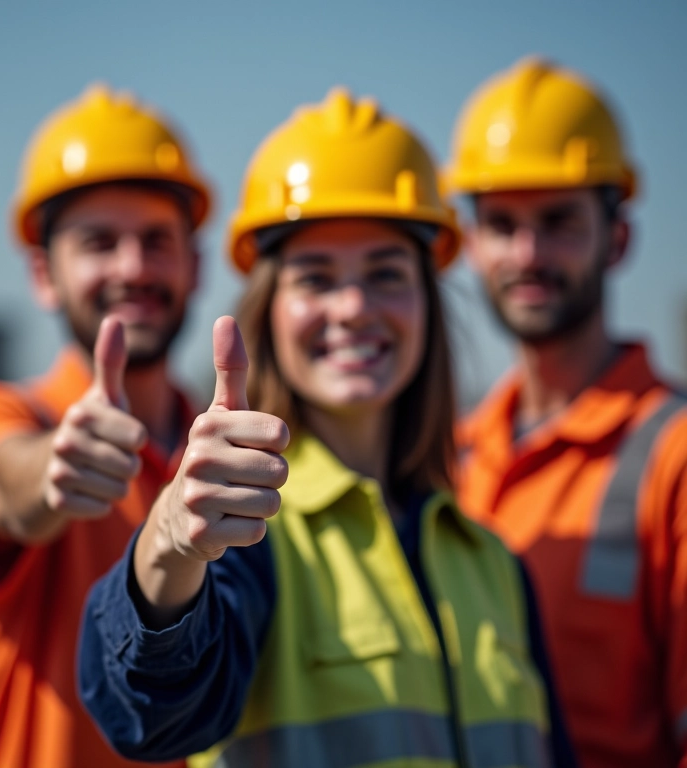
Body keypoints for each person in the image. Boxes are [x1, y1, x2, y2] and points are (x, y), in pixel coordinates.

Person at [78, 87, 575, 768]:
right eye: (315, 278)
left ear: (428, 306)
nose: (352, 306)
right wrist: (168, 544)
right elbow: (150, 715)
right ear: (269, 313)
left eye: (385, 272)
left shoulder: (494, 566)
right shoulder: (245, 538)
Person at [0, 84, 211, 768]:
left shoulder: (229, 452)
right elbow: (5, 481)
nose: (133, 267)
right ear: (43, 273)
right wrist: (54, 468)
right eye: (99, 242)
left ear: (195, 266)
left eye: (156, 241)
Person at [446, 57, 687, 768]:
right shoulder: (451, 455)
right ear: (470, 247)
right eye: (502, 224)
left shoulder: (673, 452)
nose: (528, 252)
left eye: (558, 222)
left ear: (619, 238)